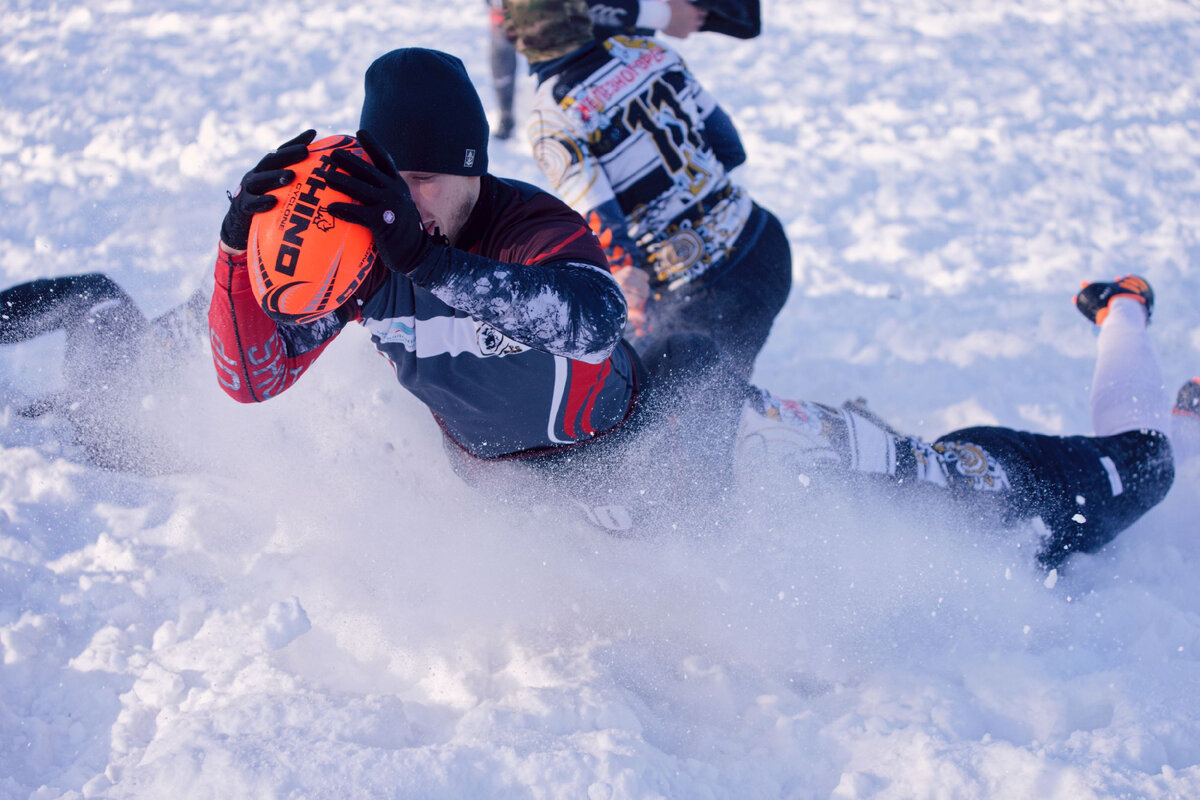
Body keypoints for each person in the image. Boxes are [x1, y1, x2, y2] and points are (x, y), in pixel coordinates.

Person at [209, 47, 1174, 571]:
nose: (409, 203)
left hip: (695, 432)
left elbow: (587, 323)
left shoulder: (527, 226)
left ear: (473, 169)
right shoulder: (365, 250)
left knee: (967, 497)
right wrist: (232, 253)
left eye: (428, 180)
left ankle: (1131, 360)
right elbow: (251, 378)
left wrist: (424, 262)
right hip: (575, 493)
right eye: (396, 179)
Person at [504, 0, 791, 381]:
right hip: (762, 243)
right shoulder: (647, 51)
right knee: (727, 393)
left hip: (701, 290)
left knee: (686, 419)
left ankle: (848, 436)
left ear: (517, 38)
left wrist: (625, 276)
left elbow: (603, 226)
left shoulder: (551, 116)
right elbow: (730, 149)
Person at [0, 273, 207, 472]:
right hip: (131, 404)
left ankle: (69, 407)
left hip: (121, 413)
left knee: (96, 288)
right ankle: (68, 406)